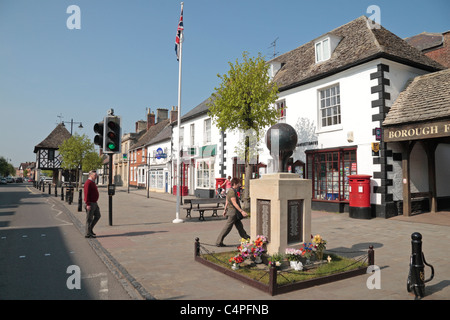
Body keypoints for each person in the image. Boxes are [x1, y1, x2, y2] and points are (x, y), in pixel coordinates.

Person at [216, 177, 250, 247]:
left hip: (234, 212)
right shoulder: (232, 192)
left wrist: (225, 210)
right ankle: (219, 242)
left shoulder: (231, 191)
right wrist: (241, 211)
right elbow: (234, 203)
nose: (240, 185)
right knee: (227, 227)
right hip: (233, 213)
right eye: (238, 184)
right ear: (234, 184)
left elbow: (227, 201)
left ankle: (247, 238)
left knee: (240, 227)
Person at [84, 170, 101, 238]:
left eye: (96, 175)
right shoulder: (88, 183)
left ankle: (90, 229)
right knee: (89, 219)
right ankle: (88, 233)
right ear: (90, 175)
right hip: (90, 203)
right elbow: (86, 194)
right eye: (94, 175)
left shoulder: (92, 182)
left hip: (94, 202)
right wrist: (88, 204)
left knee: (98, 216)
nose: (96, 176)